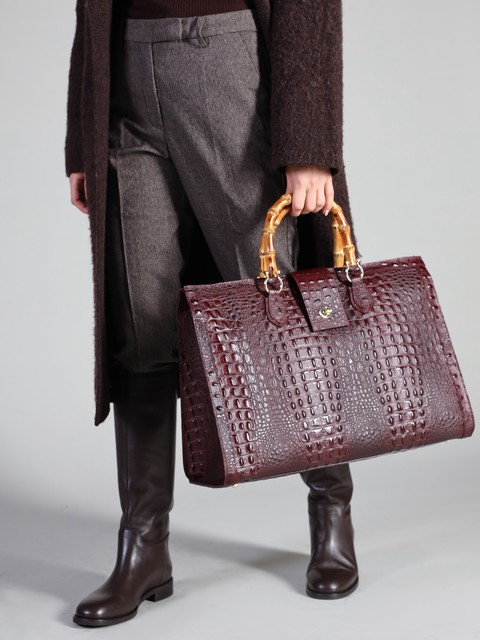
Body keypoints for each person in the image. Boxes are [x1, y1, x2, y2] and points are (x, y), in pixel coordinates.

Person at [66, 0, 360, 628]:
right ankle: (144, 548)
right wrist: (79, 136)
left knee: (281, 313)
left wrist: (310, 143)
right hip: (124, 73)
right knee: (139, 323)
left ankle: (331, 509)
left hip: (226, 63)